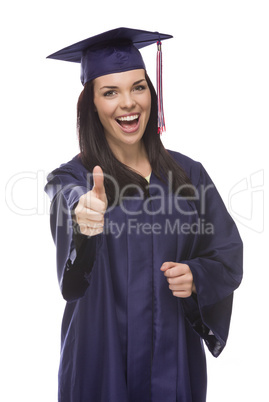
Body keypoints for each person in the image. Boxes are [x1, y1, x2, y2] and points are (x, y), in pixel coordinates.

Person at [45, 27, 243, 402]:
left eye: (138, 87)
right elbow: (67, 200)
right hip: (100, 365)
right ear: (91, 106)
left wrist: (197, 276)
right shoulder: (74, 179)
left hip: (174, 364)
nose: (128, 103)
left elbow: (227, 254)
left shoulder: (189, 175)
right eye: (110, 92)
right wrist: (82, 220)